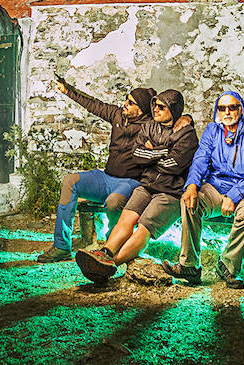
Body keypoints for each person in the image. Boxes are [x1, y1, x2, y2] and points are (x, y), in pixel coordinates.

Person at [75, 89, 198, 283]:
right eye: (154, 106)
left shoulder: (186, 133)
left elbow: (173, 165)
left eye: (161, 107)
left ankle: (110, 264)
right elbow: (137, 156)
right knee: (127, 218)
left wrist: (153, 152)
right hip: (146, 185)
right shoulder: (149, 127)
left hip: (170, 192)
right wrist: (164, 151)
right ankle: (104, 252)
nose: (155, 110)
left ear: (173, 110)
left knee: (143, 228)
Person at [34, 78, 157, 262]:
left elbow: (174, 120)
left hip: (130, 182)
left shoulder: (151, 127)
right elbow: (93, 104)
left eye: (130, 103)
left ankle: (114, 243)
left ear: (140, 110)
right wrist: (68, 90)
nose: (125, 104)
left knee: (114, 203)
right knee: (70, 181)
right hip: (105, 177)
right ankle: (61, 246)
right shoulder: (117, 115)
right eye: (126, 99)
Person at [163, 89, 244, 289]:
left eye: (232, 107)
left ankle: (228, 265)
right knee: (189, 202)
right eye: (222, 108)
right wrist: (192, 185)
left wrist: (234, 195)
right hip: (215, 187)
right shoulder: (212, 131)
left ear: (241, 109)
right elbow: (200, 160)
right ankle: (190, 266)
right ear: (218, 111)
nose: (227, 112)